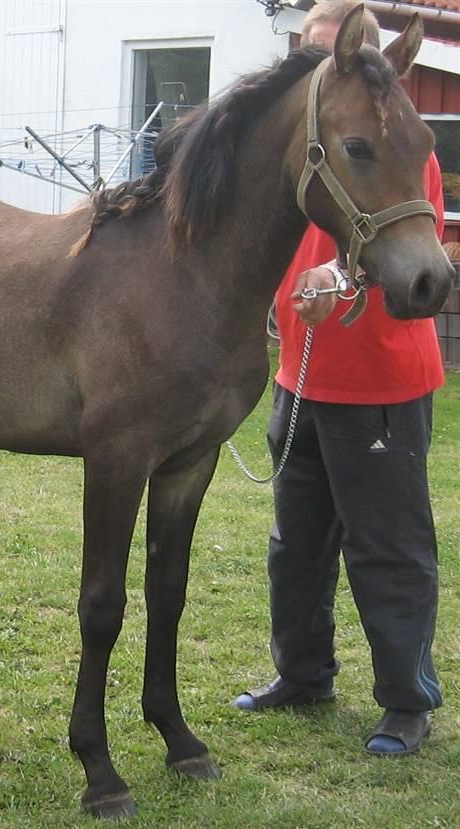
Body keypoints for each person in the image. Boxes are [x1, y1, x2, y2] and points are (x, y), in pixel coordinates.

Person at [233, 0, 446, 757]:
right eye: (326, 57)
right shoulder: (292, 140)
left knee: (388, 546)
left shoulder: (394, 138)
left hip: (381, 382)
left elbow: (412, 243)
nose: (342, 72)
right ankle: (303, 675)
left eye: (352, 57)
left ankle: (406, 700)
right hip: (302, 375)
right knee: (297, 543)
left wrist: (343, 278)